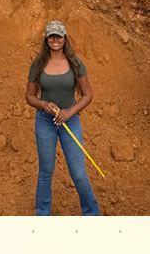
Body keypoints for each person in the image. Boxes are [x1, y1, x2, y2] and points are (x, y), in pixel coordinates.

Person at [24, 20, 101, 216]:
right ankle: (42, 215)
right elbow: (29, 96)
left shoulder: (75, 63)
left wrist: (70, 112)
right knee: (46, 171)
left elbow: (88, 94)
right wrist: (43, 104)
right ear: (46, 39)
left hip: (70, 122)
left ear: (65, 38)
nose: (55, 40)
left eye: (59, 36)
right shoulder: (38, 64)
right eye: (51, 36)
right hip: (45, 123)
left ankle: (92, 214)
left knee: (78, 173)